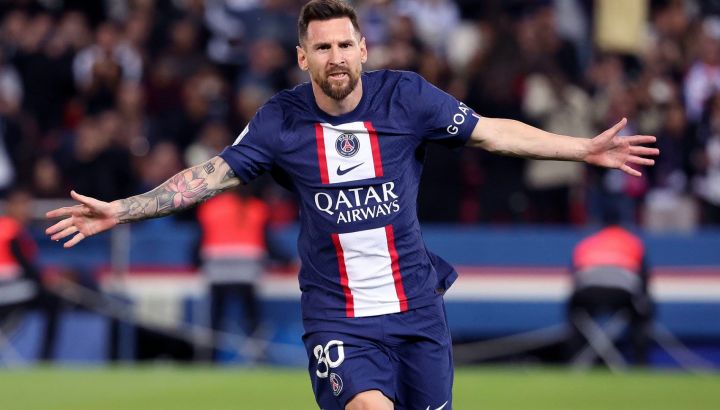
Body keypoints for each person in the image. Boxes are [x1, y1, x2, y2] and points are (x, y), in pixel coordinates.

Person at [45, 1, 658, 408]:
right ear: (302, 58)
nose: (335, 57)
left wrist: (584, 149)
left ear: (364, 49)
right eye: (322, 48)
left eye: (345, 44)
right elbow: (209, 176)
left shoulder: (407, 98)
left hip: (416, 307)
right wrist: (121, 210)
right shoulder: (280, 121)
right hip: (338, 315)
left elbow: (493, 133)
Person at [566, 212, 653, 366]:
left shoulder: (587, 242)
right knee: (641, 315)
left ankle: (576, 358)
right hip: (622, 294)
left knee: (575, 313)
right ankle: (640, 361)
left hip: (587, 293)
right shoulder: (632, 241)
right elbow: (643, 279)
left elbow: (575, 277)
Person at [1, 188, 59, 361]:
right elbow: (24, 266)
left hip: (12, 287)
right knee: (50, 300)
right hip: (7, 288)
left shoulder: (15, 229)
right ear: (10, 206)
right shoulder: (10, 230)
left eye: (27, 205)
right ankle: (46, 357)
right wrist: (43, 281)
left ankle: (45, 357)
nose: (25, 210)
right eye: (20, 204)